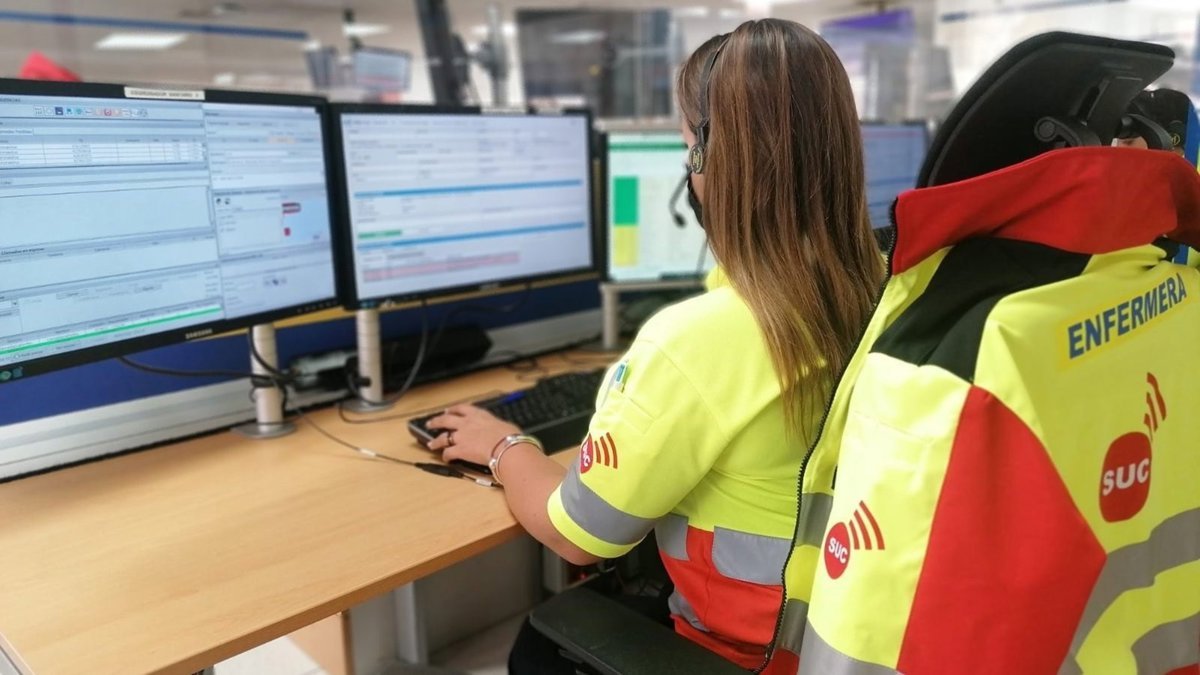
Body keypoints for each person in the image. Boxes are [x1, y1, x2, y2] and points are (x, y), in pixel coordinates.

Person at [424, 18, 885, 673]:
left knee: (540, 645)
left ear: (709, 162)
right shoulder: (886, 287)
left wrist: (504, 446)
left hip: (738, 652)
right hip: (837, 641)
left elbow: (575, 535)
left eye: (684, 143)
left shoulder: (701, 340)